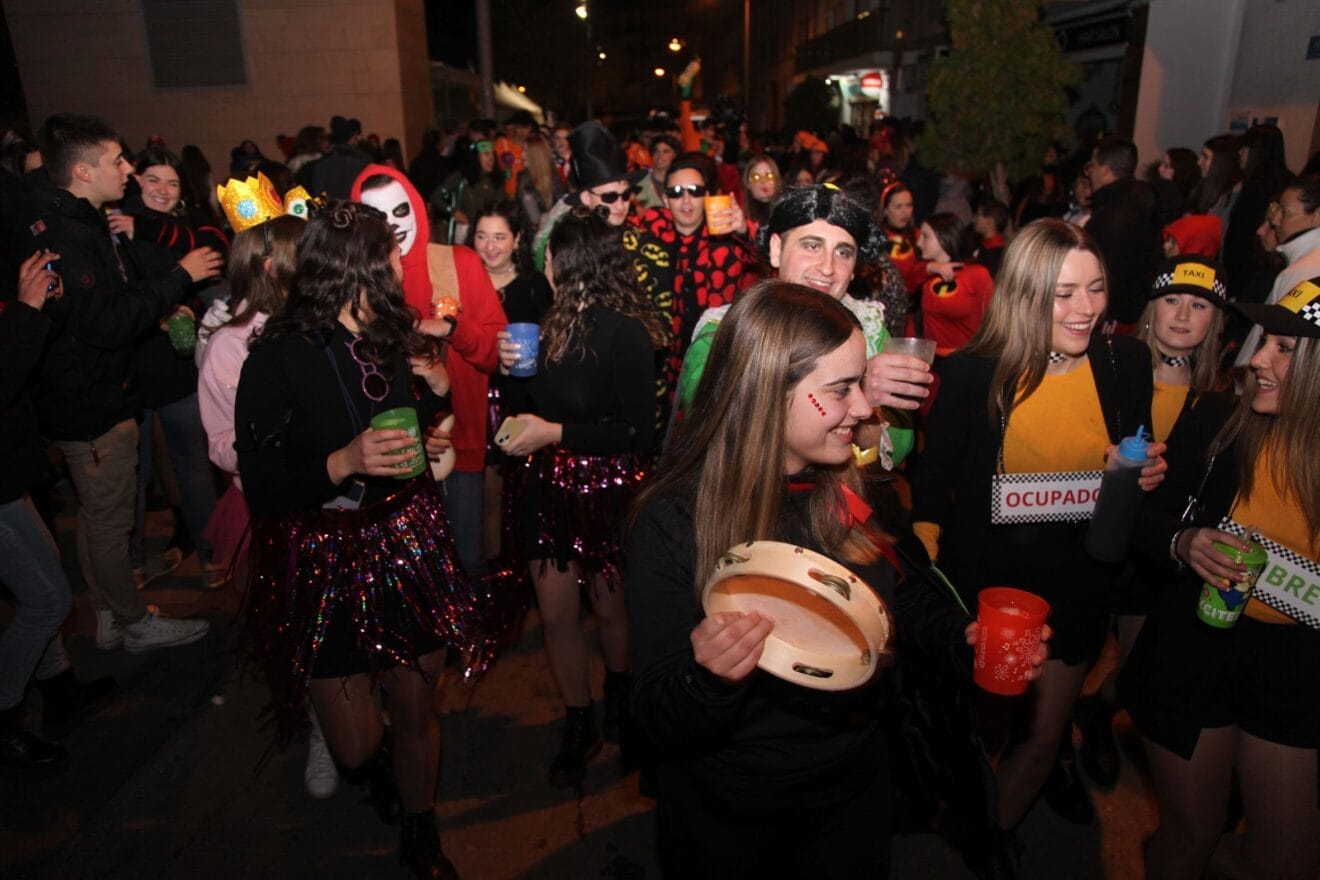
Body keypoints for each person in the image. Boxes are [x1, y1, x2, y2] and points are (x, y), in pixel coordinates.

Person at [627, 280, 1014, 878]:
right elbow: (655, 714)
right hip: (729, 813)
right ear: (766, 392)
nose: (863, 408)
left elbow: (900, 600)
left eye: (862, 384)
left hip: (854, 794)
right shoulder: (673, 520)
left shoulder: (856, 490)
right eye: (841, 389)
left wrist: (963, 638)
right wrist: (705, 678)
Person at [235, 201, 490, 879]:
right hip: (327, 555)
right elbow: (262, 484)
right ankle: (378, 768)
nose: (400, 267)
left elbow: (409, 419)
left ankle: (420, 826)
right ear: (358, 267)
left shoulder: (389, 334)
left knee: (416, 708)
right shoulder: (276, 358)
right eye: (390, 256)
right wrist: (342, 462)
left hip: (409, 538)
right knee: (354, 746)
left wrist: (435, 395)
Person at [909, 218, 1167, 839]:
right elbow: (931, 489)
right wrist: (928, 588)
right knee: (980, 730)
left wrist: (1140, 476)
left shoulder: (1126, 363)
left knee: (1042, 737)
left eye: (1096, 289)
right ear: (1025, 294)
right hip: (989, 590)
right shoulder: (975, 373)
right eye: (1064, 293)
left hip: (1077, 584)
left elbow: (1135, 463)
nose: (1086, 309)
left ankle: (988, 846)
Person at [1120, 274, 1320, 880]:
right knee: (1192, 835)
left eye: (1283, 348)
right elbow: (1135, 520)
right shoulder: (1217, 420)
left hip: (1296, 669)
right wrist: (1182, 542)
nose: (1256, 359)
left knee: (1286, 858)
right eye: (1265, 341)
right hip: (1196, 646)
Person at [29, 113, 220, 653]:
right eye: (117, 160)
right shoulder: (72, 235)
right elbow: (105, 323)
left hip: (99, 395)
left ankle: (110, 612)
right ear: (84, 171)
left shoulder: (83, 222)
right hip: (92, 403)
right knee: (109, 519)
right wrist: (180, 276)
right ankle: (132, 620)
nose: (129, 169)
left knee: (100, 517)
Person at [495, 207, 667, 788]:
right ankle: (578, 719)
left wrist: (555, 432)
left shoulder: (626, 332)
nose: (542, 264)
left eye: (549, 255)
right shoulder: (542, 326)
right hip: (547, 486)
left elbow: (637, 434)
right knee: (556, 613)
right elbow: (522, 408)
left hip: (608, 488)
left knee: (611, 608)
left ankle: (620, 694)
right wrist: (509, 375)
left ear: (570, 263)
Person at [1076, 255, 1233, 790]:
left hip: (1154, 557)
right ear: (1151, 307)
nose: (1183, 316)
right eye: (1172, 300)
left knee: (1137, 663)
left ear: (1216, 321)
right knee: (1073, 652)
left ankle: (1097, 711)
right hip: (1090, 536)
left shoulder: (1220, 401)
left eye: (1199, 306)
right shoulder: (1107, 368)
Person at [677, 184, 931, 469]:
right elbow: (720, 428)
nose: (827, 268)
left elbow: (901, 444)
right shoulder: (724, 332)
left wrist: (867, 416)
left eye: (843, 252)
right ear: (776, 249)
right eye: (812, 246)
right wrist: (856, 392)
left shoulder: (869, 330)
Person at [352, 164, 507, 582]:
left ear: (418, 208)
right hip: (390, 457)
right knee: (406, 578)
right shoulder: (358, 283)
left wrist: (453, 329)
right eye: (379, 217)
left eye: (400, 211)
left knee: (467, 566)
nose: (393, 226)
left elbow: (496, 355)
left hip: (460, 446)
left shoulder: (459, 263)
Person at [1, 250, 117, 779]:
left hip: (11, 469)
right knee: (47, 598)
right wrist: (26, 311)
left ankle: (60, 690)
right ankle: (5, 720)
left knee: (44, 578)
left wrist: (34, 306)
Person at [1234, 175, 1320, 368]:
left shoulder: (1303, 271)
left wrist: (1243, 373)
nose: (1275, 219)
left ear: (1316, 217)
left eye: (1285, 212)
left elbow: (1279, 336)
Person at [1085, 136, 1161, 333]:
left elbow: (1106, 272)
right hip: (1131, 309)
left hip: (1114, 315)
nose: (1089, 173)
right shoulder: (1141, 203)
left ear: (1106, 170)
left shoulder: (1113, 216)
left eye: (1092, 165)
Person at [915, 212, 994, 356]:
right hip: (932, 359)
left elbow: (993, 321)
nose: (919, 243)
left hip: (967, 358)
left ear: (944, 238)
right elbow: (903, 280)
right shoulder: (925, 273)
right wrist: (930, 268)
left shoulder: (977, 274)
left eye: (925, 236)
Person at [740, 154, 782, 227]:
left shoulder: (787, 213)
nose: (763, 181)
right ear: (748, 184)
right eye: (756, 177)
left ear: (776, 181)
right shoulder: (741, 220)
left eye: (769, 176)